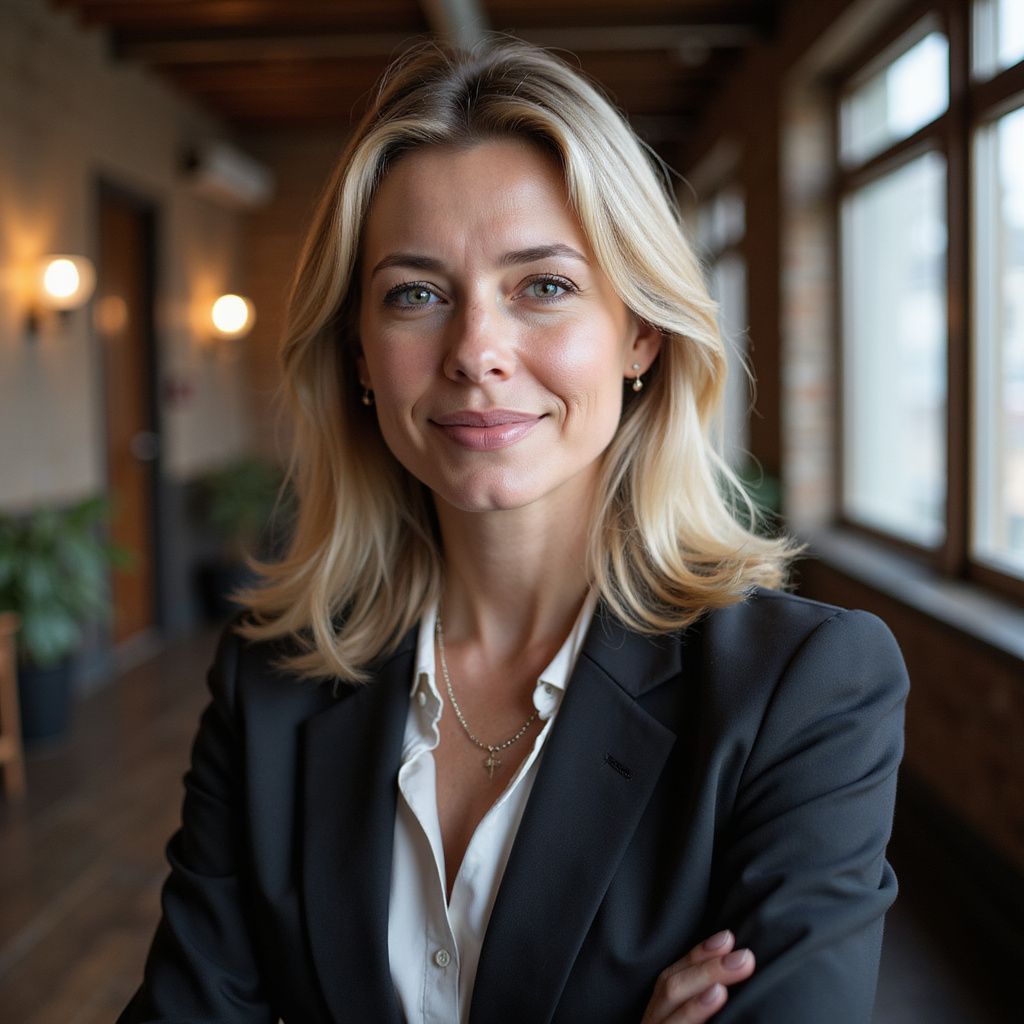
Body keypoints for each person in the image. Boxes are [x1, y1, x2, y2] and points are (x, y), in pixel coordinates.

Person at [118, 38, 909, 1024]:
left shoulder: (804, 691)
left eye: (543, 285)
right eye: (415, 293)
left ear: (639, 333)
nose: (475, 352)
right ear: (360, 354)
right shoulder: (271, 681)